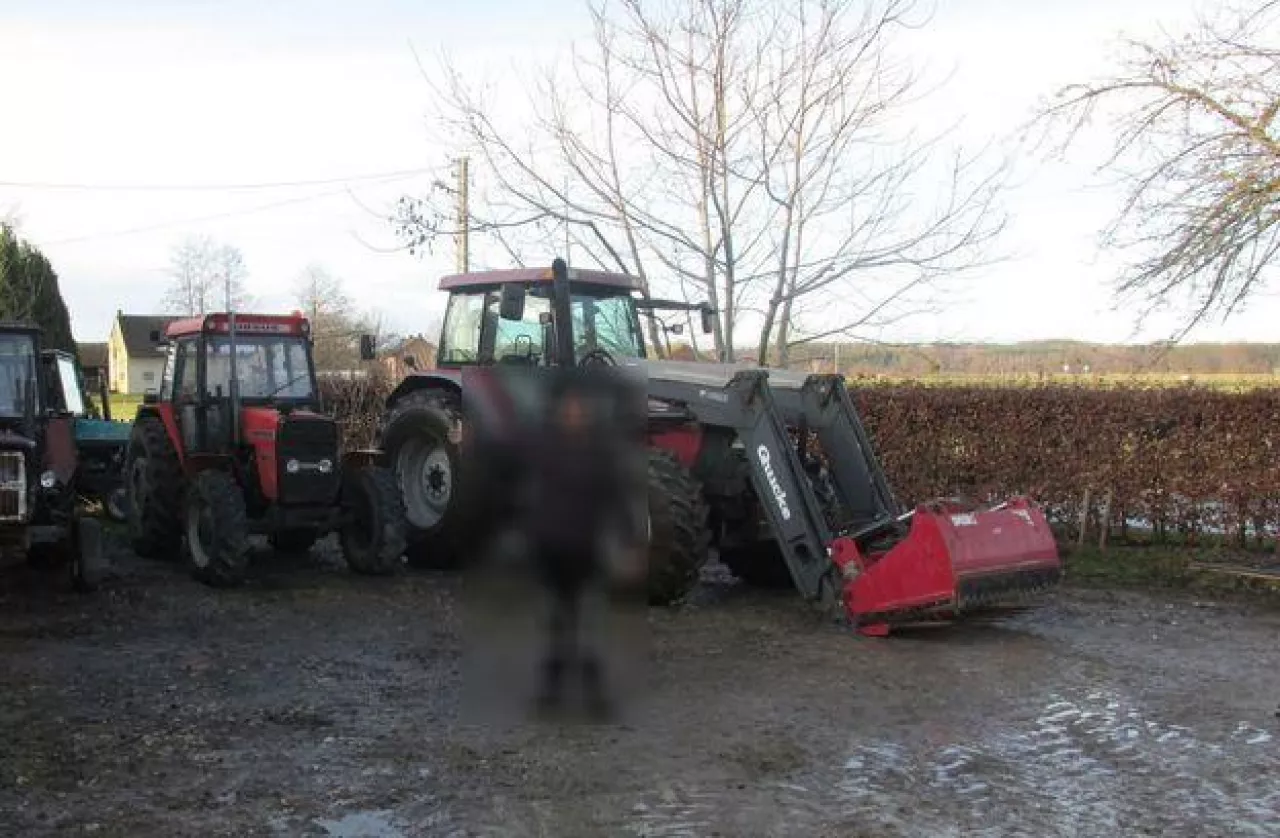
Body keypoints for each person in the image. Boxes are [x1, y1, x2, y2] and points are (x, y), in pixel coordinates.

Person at [525, 370, 637, 719]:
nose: (574, 412)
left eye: (580, 407)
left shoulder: (600, 452)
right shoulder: (544, 446)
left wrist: (630, 538)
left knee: (588, 621)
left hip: (586, 545)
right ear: (559, 410)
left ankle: (594, 695)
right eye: (568, 406)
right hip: (551, 543)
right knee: (557, 619)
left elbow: (616, 494)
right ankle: (550, 693)